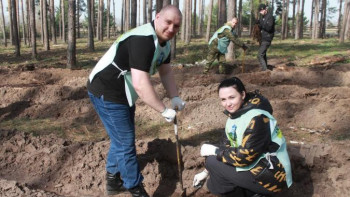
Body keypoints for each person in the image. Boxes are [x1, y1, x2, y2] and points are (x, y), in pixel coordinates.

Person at [87, 5, 185, 197]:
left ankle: (113, 181)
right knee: (125, 142)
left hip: (123, 90)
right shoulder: (143, 40)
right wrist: (163, 110)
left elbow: (165, 71)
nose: (171, 29)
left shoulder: (164, 43)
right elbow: (141, 84)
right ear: (157, 17)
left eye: (176, 26)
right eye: (168, 22)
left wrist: (174, 96)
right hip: (107, 89)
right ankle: (135, 189)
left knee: (121, 136)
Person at [193, 77, 292, 196]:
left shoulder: (258, 118)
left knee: (213, 163)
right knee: (214, 173)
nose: (227, 104)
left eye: (232, 97)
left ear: (243, 94)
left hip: (272, 175)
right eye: (223, 99)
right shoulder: (235, 116)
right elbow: (227, 146)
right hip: (258, 167)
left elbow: (244, 157)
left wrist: (215, 151)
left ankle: (253, 193)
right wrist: (206, 171)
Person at [256, 4, 275, 71]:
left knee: (260, 55)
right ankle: (265, 67)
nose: (260, 12)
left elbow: (269, 28)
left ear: (265, 9)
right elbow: (262, 27)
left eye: (261, 10)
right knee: (263, 55)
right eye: (260, 11)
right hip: (263, 38)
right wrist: (258, 23)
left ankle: (265, 71)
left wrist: (261, 23)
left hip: (267, 38)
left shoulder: (270, 17)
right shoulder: (262, 17)